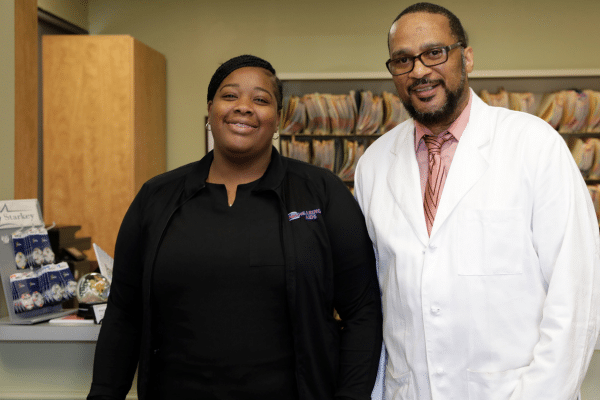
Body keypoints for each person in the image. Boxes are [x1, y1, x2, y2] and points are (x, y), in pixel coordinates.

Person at [87, 54, 382, 400]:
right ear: (210, 109)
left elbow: (362, 311)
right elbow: (124, 313)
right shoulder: (157, 197)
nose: (244, 107)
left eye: (261, 99)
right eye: (229, 96)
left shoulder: (322, 192)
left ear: (278, 119)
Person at [354, 3, 600, 400]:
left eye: (434, 52)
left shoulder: (534, 145)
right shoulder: (373, 165)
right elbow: (380, 301)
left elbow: (578, 294)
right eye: (403, 60)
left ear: (466, 57)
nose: (419, 70)